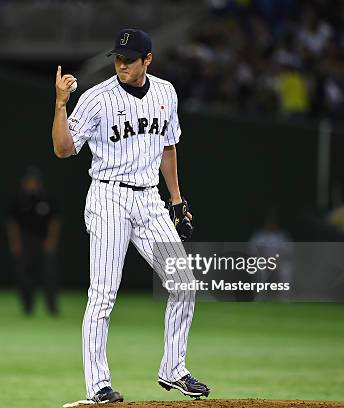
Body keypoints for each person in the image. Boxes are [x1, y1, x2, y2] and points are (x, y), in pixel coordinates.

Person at [52, 28, 210, 405]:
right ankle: (98, 386)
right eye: (118, 59)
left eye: (129, 59)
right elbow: (63, 149)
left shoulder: (165, 93)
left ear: (147, 60)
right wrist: (60, 104)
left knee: (184, 285)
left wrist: (176, 198)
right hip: (108, 196)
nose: (121, 64)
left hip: (150, 199)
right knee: (103, 295)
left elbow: (169, 146)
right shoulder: (96, 99)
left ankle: (173, 368)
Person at [6, 166, 60, 316]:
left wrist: (51, 242)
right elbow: (12, 224)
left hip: (43, 241)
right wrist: (15, 243)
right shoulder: (18, 199)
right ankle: (27, 307)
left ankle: (52, 308)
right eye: (28, 182)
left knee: (49, 276)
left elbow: (54, 223)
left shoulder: (46, 199)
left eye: (33, 182)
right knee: (24, 276)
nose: (31, 184)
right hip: (25, 241)